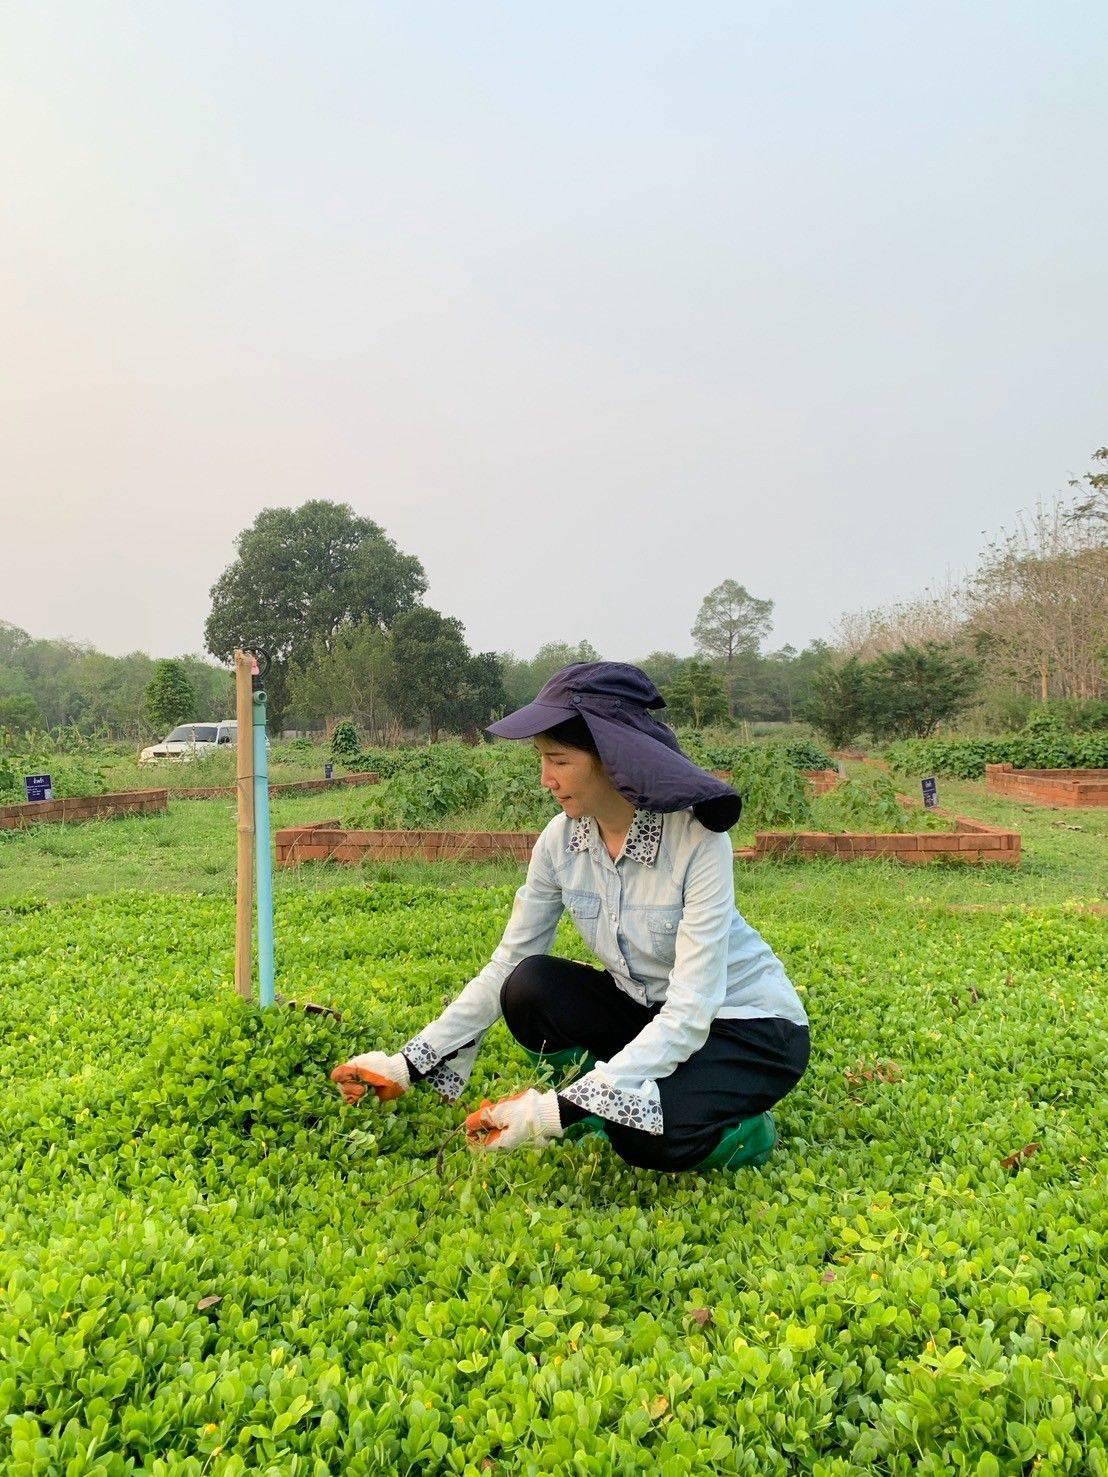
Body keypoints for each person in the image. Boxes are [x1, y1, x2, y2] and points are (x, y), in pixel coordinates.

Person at [330, 662, 810, 1173]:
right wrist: (407, 1063)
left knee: (639, 1136)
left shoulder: (698, 843)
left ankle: (743, 1130)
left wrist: (548, 1115)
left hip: (744, 1030)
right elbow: (506, 965)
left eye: (557, 760)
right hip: (649, 1012)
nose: (546, 780)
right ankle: (597, 1100)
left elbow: (692, 1010)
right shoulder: (560, 842)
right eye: (542, 760)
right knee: (528, 985)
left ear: (612, 759)